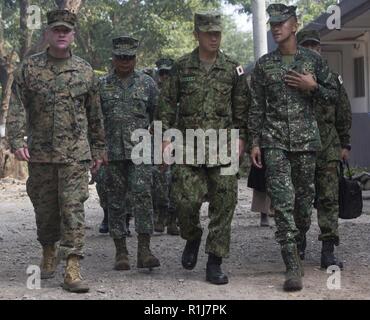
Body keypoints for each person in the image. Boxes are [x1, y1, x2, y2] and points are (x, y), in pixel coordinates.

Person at [6, 9, 106, 293]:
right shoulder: (29, 68)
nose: (61, 34)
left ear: (73, 35)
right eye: (56, 30)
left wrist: (99, 149)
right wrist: (16, 139)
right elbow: (17, 106)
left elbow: (95, 114)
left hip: (75, 155)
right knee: (45, 209)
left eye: (67, 30)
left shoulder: (85, 71)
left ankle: (72, 266)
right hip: (40, 153)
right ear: (48, 34)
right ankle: (48, 249)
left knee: (73, 208)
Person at [248, 4, 338, 291]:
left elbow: (334, 97)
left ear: (294, 26)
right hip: (274, 141)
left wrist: (313, 87)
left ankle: (299, 244)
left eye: (281, 23)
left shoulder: (314, 61)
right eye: (272, 23)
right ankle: (292, 264)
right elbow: (256, 108)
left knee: (302, 203)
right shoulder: (264, 65)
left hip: (305, 143)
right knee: (283, 203)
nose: (276, 28)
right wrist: (254, 142)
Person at [158, 11, 250, 285]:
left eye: (217, 33)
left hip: (223, 148)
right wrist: (164, 138)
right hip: (188, 147)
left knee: (224, 205)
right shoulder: (181, 67)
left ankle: (214, 261)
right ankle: (193, 236)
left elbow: (242, 109)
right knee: (184, 203)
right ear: (196, 34)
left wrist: (241, 138)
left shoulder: (233, 68)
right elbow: (166, 104)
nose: (213, 38)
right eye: (208, 33)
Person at [99, 36, 160, 271]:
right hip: (112, 153)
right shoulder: (102, 85)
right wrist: (98, 149)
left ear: (136, 58)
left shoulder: (148, 84)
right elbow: (94, 120)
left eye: (130, 57)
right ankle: (121, 251)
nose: (125, 61)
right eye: (121, 57)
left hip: (141, 151)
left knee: (143, 196)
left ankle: (144, 250)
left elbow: (159, 115)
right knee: (115, 201)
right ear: (113, 58)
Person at [296, 29, 352, 268]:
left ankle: (328, 250)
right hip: (299, 148)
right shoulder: (290, 77)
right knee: (300, 198)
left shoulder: (332, 77)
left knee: (329, 199)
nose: (312, 50)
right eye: (306, 46)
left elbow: (343, 112)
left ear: (320, 49)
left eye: (315, 46)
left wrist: (345, 143)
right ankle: (298, 244)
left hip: (328, 147)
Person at [152, 57, 179, 235]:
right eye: (162, 73)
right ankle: (159, 216)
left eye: (168, 73)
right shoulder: (153, 91)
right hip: (159, 140)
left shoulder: (181, 91)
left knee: (177, 181)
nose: (165, 76)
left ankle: (173, 219)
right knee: (160, 181)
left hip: (181, 140)